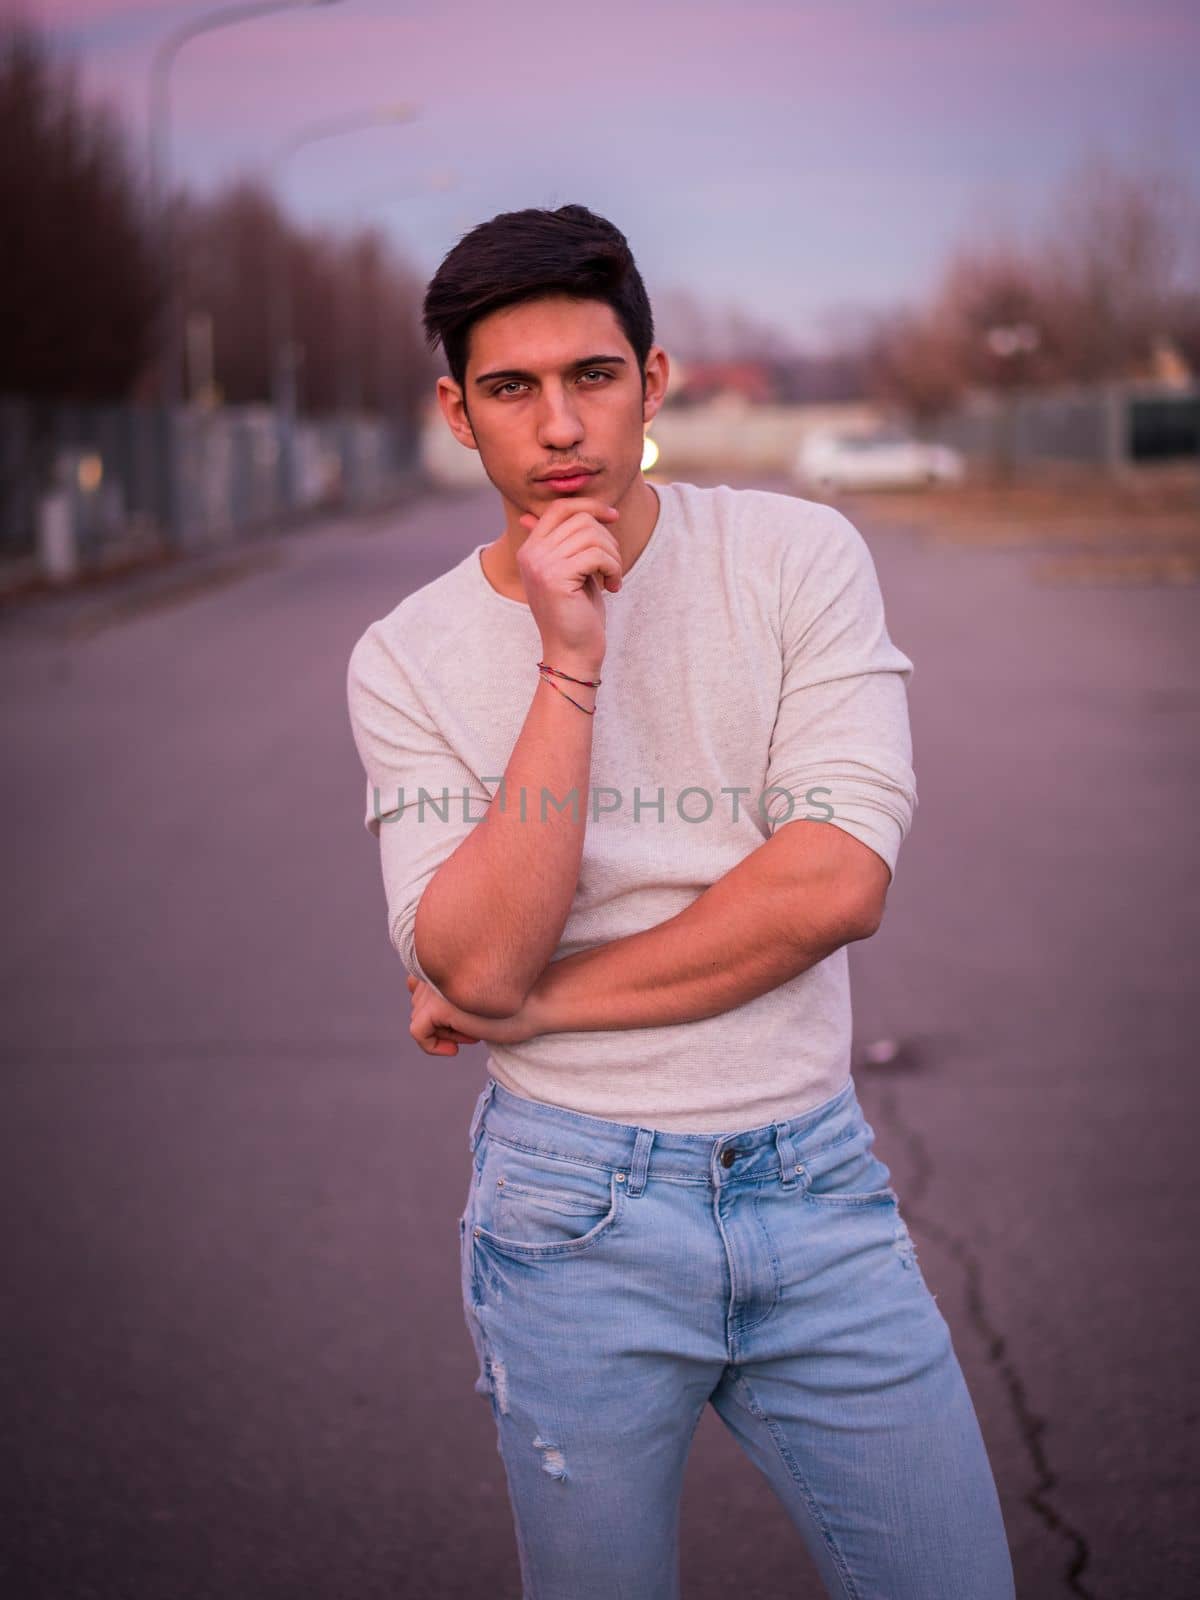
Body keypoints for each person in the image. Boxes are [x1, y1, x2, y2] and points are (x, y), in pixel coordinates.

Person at [345, 203, 1015, 1600]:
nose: (560, 425)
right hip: (568, 1212)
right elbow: (473, 945)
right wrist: (567, 661)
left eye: (593, 376)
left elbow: (833, 881)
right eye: (513, 389)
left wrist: (517, 1004)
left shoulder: (792, 559)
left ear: (655, 382)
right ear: (459, 415)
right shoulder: (403, 658)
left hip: (814, 1185)